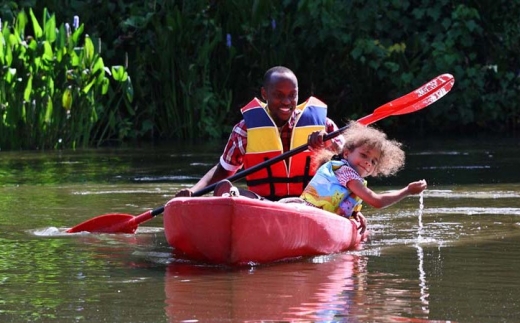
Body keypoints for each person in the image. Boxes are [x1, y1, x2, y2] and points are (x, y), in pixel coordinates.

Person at [175, 66, 344, 200]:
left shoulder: (323, 125)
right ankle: (233, 199)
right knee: (230, 191)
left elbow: (346, 155)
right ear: (265, 94)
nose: (286, 102)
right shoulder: (245, 129)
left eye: (292, 95)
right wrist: (193, 191)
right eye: (278, 95)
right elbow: (224, 170)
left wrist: (327, 143)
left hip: (311, 202)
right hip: (263, 204)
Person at [298, 121, 427, 233]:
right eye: (364, 155)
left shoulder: (354, 180)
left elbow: (343, 202)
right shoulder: (344, 171)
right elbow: (377, 201)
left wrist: (355, 213)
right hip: (306, 214)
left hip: (318, 220)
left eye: (373, 161)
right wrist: (408, 191)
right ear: (346, 154)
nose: (368, 162)